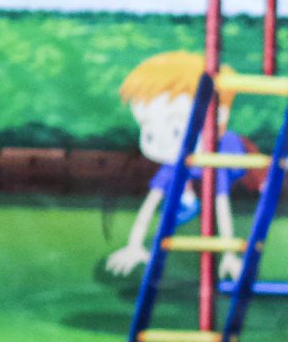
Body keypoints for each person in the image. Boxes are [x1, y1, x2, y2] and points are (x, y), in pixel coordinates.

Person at [103, 52, 251, 280]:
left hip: (236, 158)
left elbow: (222, 206)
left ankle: (190, 199)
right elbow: (150, 204)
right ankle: (188, 200)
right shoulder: (174, 162)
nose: (161, 143)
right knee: (179, 188)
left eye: (174, 131)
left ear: (220, 116)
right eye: (149, 131)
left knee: (256, 173)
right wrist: (134, 246)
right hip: (194, 174)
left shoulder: (218, 159)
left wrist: (229, 254)